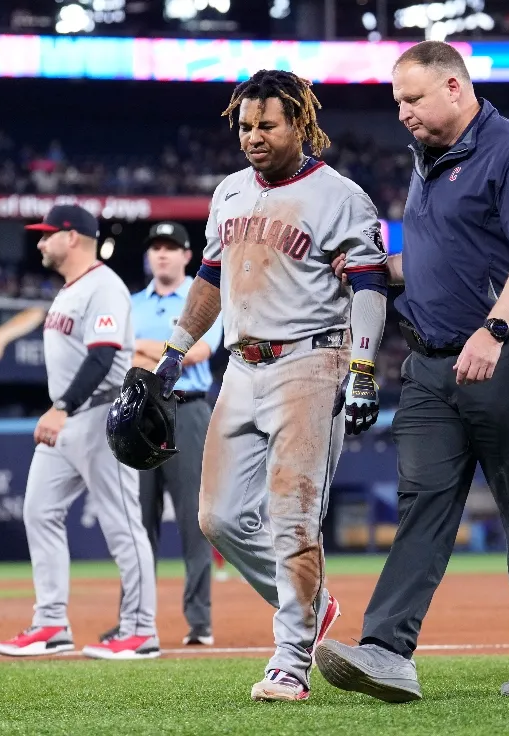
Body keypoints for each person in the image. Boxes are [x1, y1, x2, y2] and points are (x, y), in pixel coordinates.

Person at [316, 40, 509, 700]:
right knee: (422, 504)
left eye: (413, 98)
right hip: (431, 366)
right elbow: (438, 261)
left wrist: (495, 329)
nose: (401, 112)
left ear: (454, 88)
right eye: (397, 101)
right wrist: (373, 270)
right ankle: (386, 651)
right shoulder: (427, 160)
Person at [142, 69, 389, 701]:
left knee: (293, 517)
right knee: (218, 517)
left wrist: (364, 369)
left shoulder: (341, 196)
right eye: (245, 126)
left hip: (311, 363)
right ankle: (314, 605)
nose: (252, 136)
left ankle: (291, 660)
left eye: (266, 125)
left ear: (299, 124)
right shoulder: (228, 191)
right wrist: (173, 355)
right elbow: (210, 280)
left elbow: (369, 285)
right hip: (241, 367)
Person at [0, 204, 159, 660]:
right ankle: (51, 623)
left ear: (71, 237)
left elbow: (103, 356)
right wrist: (63, 410)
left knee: (122, 524)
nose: (40, 242)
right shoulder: (71, 290)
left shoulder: (104, 286)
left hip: (101, 414)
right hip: (69, 419)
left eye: (47, 234)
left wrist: (61, 407)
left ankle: (141, 630)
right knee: (39, 511)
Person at [99, 221, 224, 647]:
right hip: (139, 414)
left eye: (171, 247)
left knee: (195, 520)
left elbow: (200, 351)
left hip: (187, 411)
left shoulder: (203, 295)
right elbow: (122, 354)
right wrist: (169, 348)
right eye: (156, 247)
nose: (163, 254)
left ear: (188, 255)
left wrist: (144, 347)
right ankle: (134, 620)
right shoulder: (132, 303)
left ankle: (200, 622)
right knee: (138, 523)